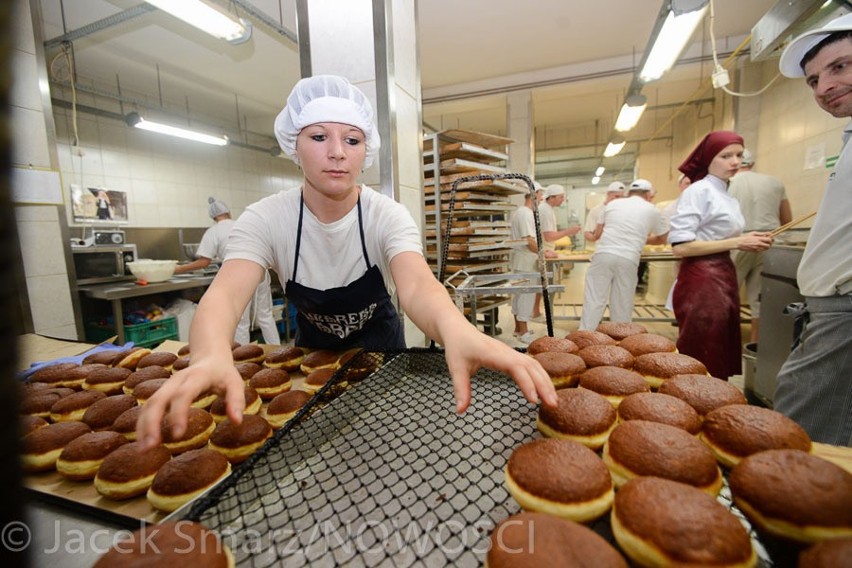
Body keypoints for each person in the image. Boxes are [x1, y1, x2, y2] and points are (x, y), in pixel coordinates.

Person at [137, 75, 557, 447]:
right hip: (312, 356)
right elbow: (226, 295)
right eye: (319, 137)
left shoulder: (385, 214)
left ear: (365, 150)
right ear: (294, 146)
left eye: (352, 140)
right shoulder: (267, 218)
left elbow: (415, 285)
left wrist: (456, 330)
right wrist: (211, 353)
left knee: (382, 441)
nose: (337, 152)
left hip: (383, 354)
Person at [773, 13, 852, 446]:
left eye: (840, 66)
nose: (824, 88)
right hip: (833, 309)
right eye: (813, 80)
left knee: (804, 436)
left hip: (844, 311)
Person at [668, 131, 773, 381]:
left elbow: (717, 233)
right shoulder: (698, 191)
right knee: (703, 343)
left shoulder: (725, 194)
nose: (735, 162)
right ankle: (695, 398)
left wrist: (750, 237)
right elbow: (681, 246)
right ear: (708, 159)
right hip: (702, 277)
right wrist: (739, 241)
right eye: (726, 156)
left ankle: (716, 400)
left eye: (739, 155)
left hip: (723, 272)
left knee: (719, 340)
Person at [175, 197, 280, 346]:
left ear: (213, 217)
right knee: (266, 316)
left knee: (241, 321)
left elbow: (204, 262)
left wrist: (178, 269)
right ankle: (277, 350)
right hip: (260, 271)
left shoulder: (213, 232)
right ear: (228, 212)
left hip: (239, 276)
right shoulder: (243, 224)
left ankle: (243, 359)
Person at [579, 179, 666, 330]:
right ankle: (620, 341)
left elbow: (598, 232)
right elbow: (662, 238)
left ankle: (585, 336)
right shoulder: (652, 209)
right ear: (648, 194)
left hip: (603, 254)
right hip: (629, 257)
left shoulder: (612, 204)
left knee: (594, 299)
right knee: (622, 303)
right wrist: (639, 238)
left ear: (629, 193)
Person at [728, 149, 792, 343]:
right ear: (753, 164)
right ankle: (756, 350)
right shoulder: (775, 182)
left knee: (727, 298)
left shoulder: (726, 184)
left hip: (737, 243)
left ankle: (727, 347)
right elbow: (787, 220)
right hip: (769, 242)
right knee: (760, 302)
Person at [509, 190, 542, 343]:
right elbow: (529, 241)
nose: (541, 199)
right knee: (526, 296)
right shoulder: (526, 214)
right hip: (526, 262)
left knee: (519, 295)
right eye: (541, 196)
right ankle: (524, 332)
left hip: (521, 261)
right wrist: (543, 252)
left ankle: (517, 329)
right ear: (534, 194)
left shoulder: (519, 213)